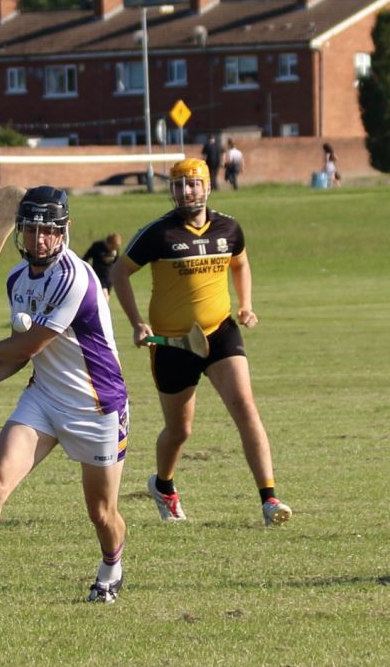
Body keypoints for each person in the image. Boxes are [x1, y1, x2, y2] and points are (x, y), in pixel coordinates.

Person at [0, 186, 129, 610]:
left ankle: (112, 569)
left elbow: (28, 346)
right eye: (31, 229)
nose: (39, 239)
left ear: (64, 231)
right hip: (43, 399)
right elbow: (21, 355)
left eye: (49, 231)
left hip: (96, 406)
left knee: (101, 514)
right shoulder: (17, 280)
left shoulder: (76, 278)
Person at [110, 157, 291, 529]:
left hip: (219, 331)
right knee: (180, 431)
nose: (186, 191)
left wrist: (246, 305)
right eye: (178, 185)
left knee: (245, 408)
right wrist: (137, 323)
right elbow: (119, 272)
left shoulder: (229, 228)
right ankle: (163, 485)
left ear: (208, 186)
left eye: (193, 184)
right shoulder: (157, 234)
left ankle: (269, 498)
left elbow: (239, 263)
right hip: (173, 342)